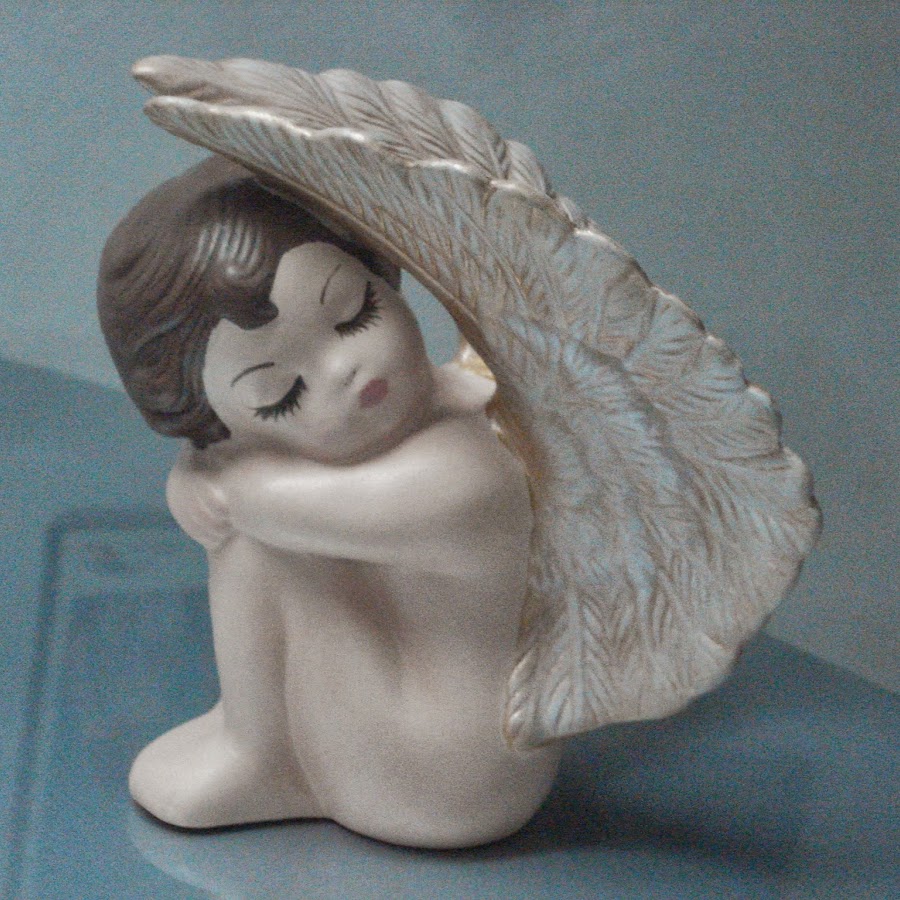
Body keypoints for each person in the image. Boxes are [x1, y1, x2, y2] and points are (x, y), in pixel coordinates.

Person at [98, 156, 561, 848]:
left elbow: (248, 500)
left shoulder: (473, 466)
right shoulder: (428, 415)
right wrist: (204, 472)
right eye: (279, 394)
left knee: (253, 538)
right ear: (228, 423)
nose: (343, 368)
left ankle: (258, 754)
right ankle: (256, 749)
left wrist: (202, 475)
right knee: (254, 522)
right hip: (403, 729)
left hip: (448, 779)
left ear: (384, 276)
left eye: (354, 313)